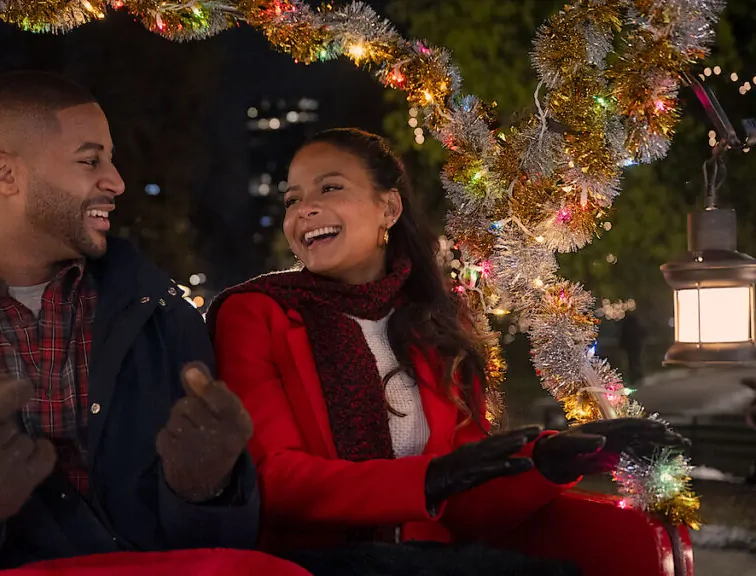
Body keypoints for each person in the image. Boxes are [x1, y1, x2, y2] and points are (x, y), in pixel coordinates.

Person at [0, 71, 259, 576]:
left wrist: (208, 489)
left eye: (111, 159)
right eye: (90, 160)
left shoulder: (162, 314)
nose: (116, 181)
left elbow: (221, 552)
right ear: (5, 175)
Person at [206, 128, 684, 575]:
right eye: (292, 199)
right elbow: (273, 478)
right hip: (312, 561)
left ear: (388, 208)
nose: (303, 210)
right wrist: (429, 479)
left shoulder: (435, 323)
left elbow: (469, 502)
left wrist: (547, 463)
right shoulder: (255, 314)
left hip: (432, 556)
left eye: (329, 189)